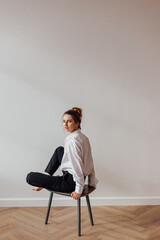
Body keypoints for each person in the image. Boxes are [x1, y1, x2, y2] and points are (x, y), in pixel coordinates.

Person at [26, 107, 98, 200]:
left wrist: (78, 190)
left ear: (77, 123)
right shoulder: (83, 137)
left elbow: (77, 166)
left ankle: (46, 182)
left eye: (69, 121)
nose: (65, 124)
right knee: (60, 150)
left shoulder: (73, 141)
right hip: (76, 177)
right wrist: (92, 182)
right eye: (64, 121)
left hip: (70, 183)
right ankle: (47, 177)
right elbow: (89, 161)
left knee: (30, 177)